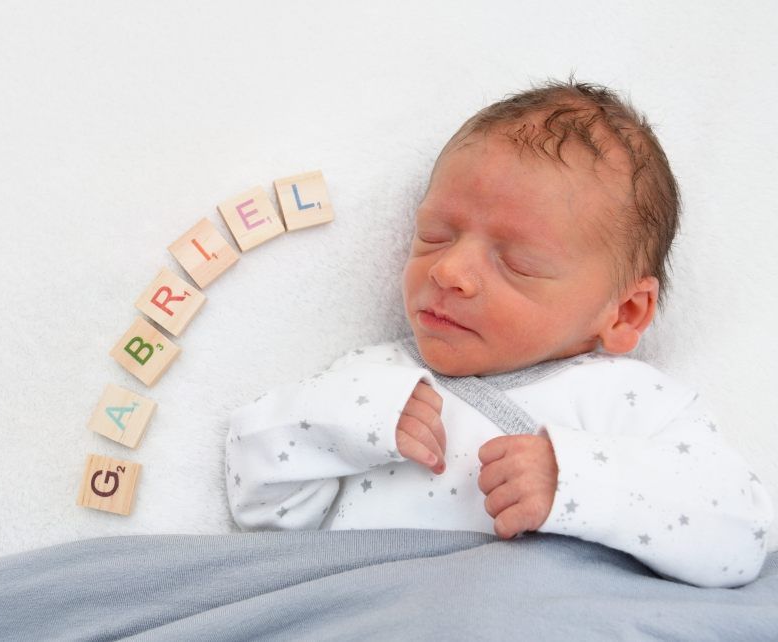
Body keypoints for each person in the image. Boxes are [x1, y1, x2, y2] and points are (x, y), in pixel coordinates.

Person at [224, 77, 773, 588]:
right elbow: (259, 504)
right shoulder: (371, 380)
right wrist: (345, 421)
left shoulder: (631, 403)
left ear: (624, 313)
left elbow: (740, 537)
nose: (448, 272)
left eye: (517, 263)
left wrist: (575, 479)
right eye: (435, 235)